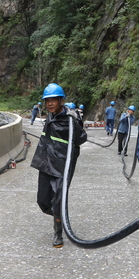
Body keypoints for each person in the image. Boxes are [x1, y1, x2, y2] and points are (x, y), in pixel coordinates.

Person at [30, 84, 87, 248]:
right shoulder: (50, 115)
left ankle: (58, 233)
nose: (50, 103)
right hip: (45, 162)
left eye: (53, 100)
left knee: (57, 200)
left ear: (61, 100)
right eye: (47, 100)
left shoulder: (70, 119)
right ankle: (60, 214)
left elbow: (82, 139)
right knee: (42, 201)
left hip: (62, 165)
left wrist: (75, 122)